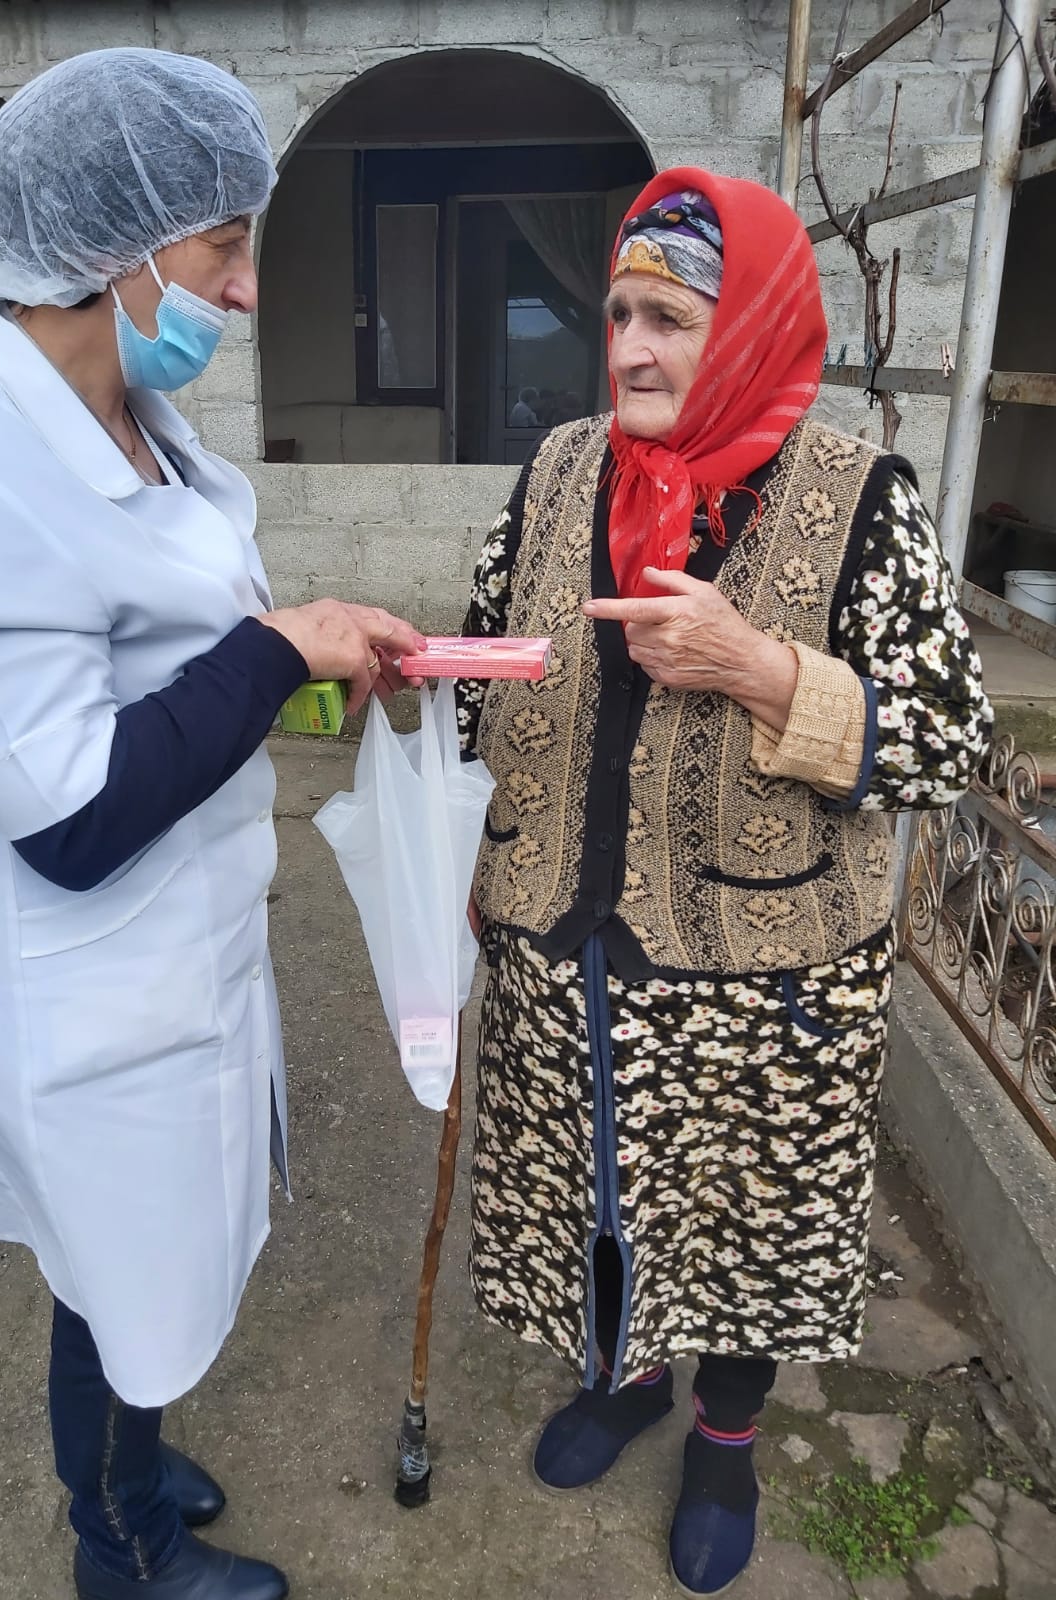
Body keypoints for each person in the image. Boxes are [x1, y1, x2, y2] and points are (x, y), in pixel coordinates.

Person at [0, 49, 424, 1600]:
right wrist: (276, 652)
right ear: (108, 250)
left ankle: (129, 1462)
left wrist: (307, 663)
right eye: (223, 246)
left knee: (135, 1260)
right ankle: (123, 1545)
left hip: (162, 960)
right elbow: (73, 813)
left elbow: (175, 658)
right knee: (115, 1271)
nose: (244, 290)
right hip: (70, 990)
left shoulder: (122, 415)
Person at [456, 170, 992, 1597]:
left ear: (746, 327)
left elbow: (948, 739)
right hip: (569, 937)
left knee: (746, 1212)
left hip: (770, 968)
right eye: (619, 314)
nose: (631, 350)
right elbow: (492, 638)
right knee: (599, 1187)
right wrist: (432, 678)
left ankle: (727, 1437)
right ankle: (630, 1375)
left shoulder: (856, 497)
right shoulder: (561, 470)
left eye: (672, 321)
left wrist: (760, 670)